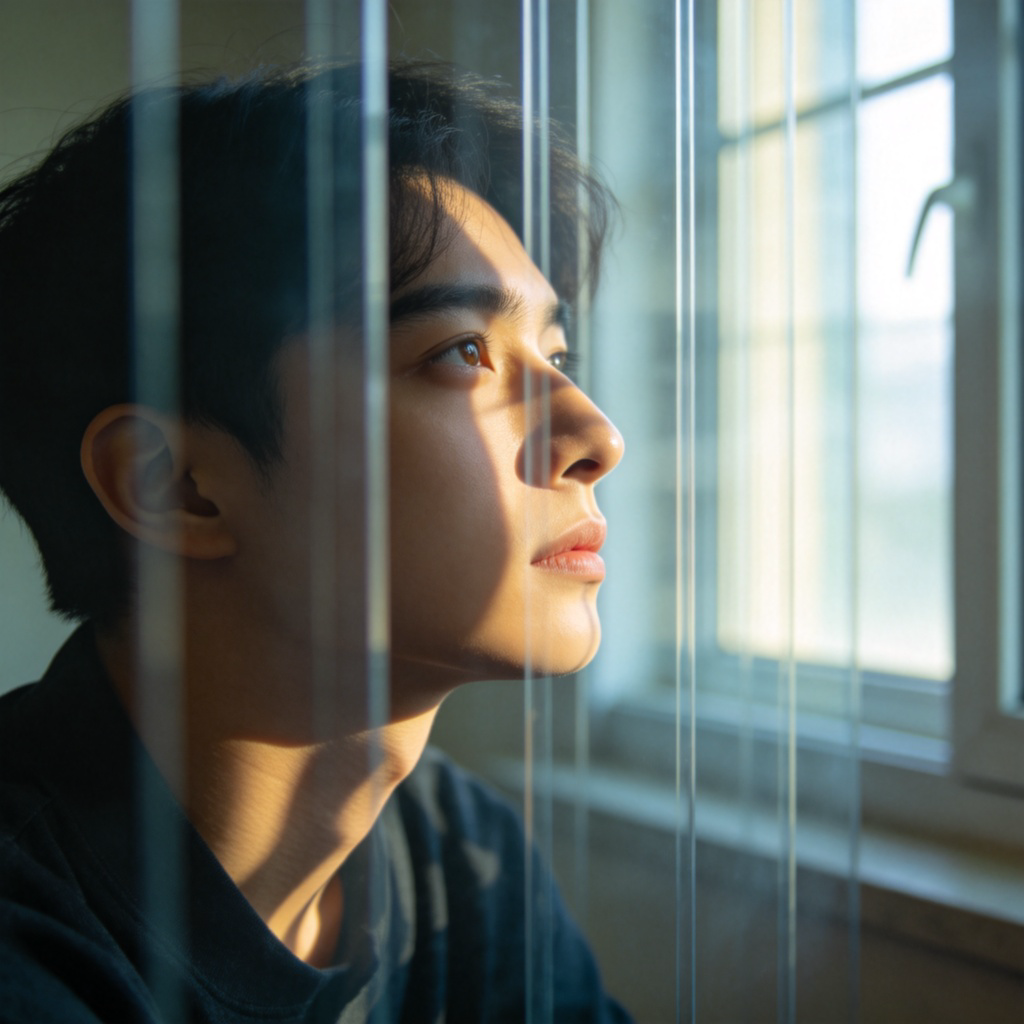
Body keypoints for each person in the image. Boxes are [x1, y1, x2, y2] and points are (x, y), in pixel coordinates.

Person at [0, 60, 628, 1022]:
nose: (596, 438)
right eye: (465, 352)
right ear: (177, 487)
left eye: (555, 356)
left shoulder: (454, 859)